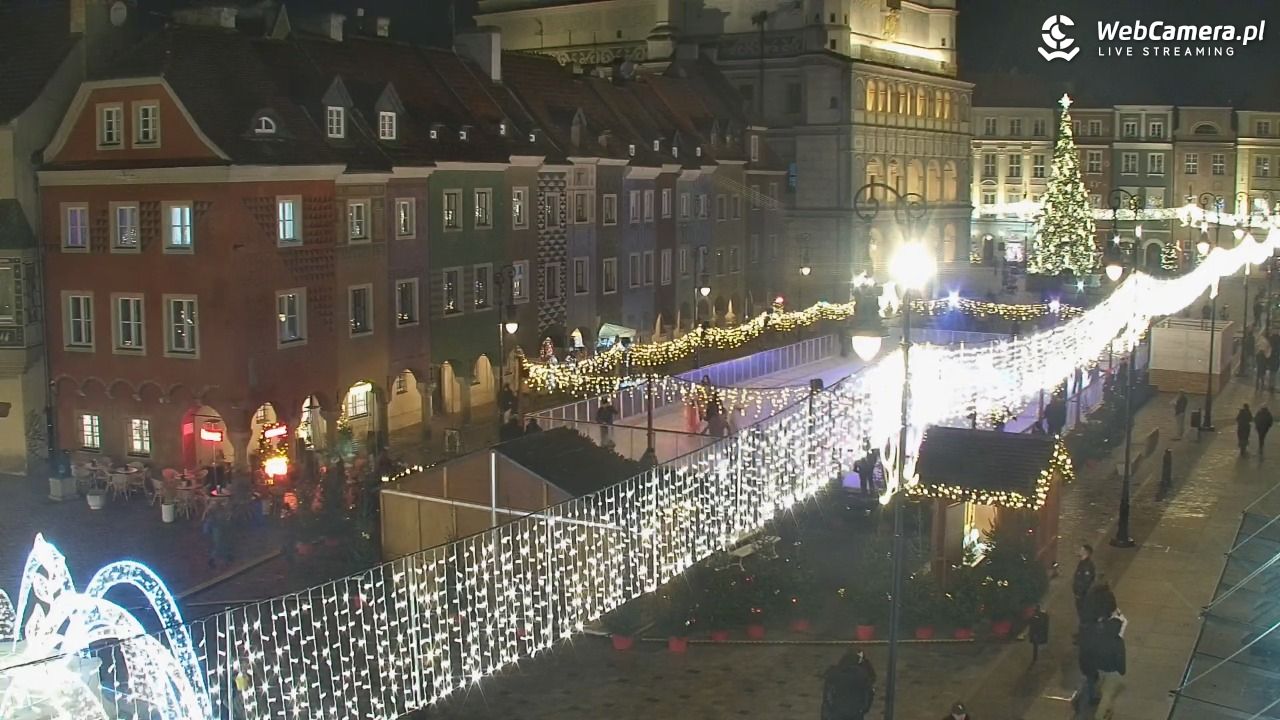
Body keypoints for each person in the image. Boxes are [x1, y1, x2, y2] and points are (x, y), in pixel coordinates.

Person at [821, 648, 875, 720]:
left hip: (836, 713)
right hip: (855, 713)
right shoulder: (863, 675)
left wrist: (830, 710)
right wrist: (862, 709)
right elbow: (868, 694)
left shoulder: (834, 673)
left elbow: (828, 696)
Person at [1093, 614, 1128, 719]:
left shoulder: (1100, 637)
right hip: (1112, 671)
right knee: (1107, 695)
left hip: (1099, 668)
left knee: (1102, 689)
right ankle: (1099, 716)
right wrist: (1122, 670)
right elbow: (1120, 657)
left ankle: (1109, 711)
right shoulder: (1118, 642)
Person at [1073, 544, 1097, 630]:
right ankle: (1082, 632)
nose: (1079, 550)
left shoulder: (1087, 566)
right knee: (1081, 614)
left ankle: (1083, 634)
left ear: (1086, 553)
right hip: (1080, 594)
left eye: (1081, 550)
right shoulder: (1082, 563)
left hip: (1083, 596)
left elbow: (1086, 582)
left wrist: (1080, 593)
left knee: (1084, 614)